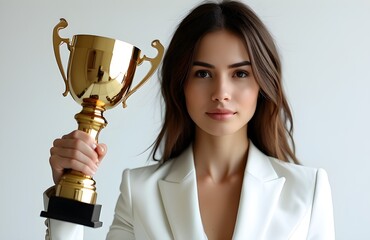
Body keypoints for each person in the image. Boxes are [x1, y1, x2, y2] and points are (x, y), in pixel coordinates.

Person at [44, 0, 335, 239]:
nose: (221, 93)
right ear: (180, 84)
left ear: (263, 84)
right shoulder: (140, 191)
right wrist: (69, 191)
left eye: (240, 73)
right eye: (203, 74)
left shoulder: (307, 191)